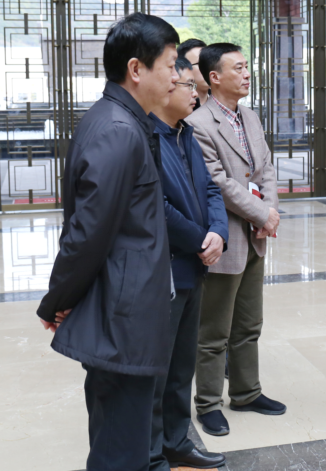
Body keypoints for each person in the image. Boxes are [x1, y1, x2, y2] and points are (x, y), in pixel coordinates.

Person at [35, 13, 180, 470]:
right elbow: (88, 232)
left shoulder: (122, 119)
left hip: (122, 312)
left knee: (119, 440)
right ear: (137, 69)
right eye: (170, 64)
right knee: (120, 450)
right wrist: (58, 300)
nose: (177, 76)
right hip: (122, 319)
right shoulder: (119, 130)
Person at [185, 43, 284, 437]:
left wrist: (269, 213)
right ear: (214, 77)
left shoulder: (251, 117)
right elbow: (218, 182)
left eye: (247, 67)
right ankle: (208, 404)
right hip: (225, 237)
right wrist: (261, 213)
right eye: (238, 68)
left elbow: (267, 168)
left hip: (256, 235)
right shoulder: (198, 123)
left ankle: (246, 392)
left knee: (249, 323)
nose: (246, 74)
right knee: (214, 332)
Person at [149, 58, 229, 470]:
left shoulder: (186, 133)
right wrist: (200, 239)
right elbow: (156, 206)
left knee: (183, 365)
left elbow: (211, 190)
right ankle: (152, 451)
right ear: (166, 88)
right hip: (167, 269)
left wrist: (218, 232)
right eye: (188, 86)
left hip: (195, 265)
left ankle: (177, 441)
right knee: (157, 369)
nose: (196, 94)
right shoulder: (147, 138)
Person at [177, 38, 210, 109]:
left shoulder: (224, 103)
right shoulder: (179, 108)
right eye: (201, 63)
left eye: (209, 62)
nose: (209, 67)